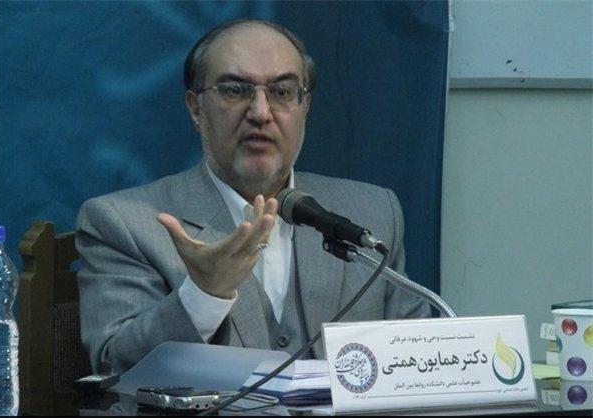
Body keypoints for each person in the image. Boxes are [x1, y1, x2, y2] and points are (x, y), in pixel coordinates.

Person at [76, 19, 430, 374]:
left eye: (282, 92)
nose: (261, 113)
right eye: (235, 90)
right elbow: (114, 367)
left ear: (305, 106)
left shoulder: (374, 212)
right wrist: (204, 294)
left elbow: (417, 369)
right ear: (197, 109)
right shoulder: (123, 223)